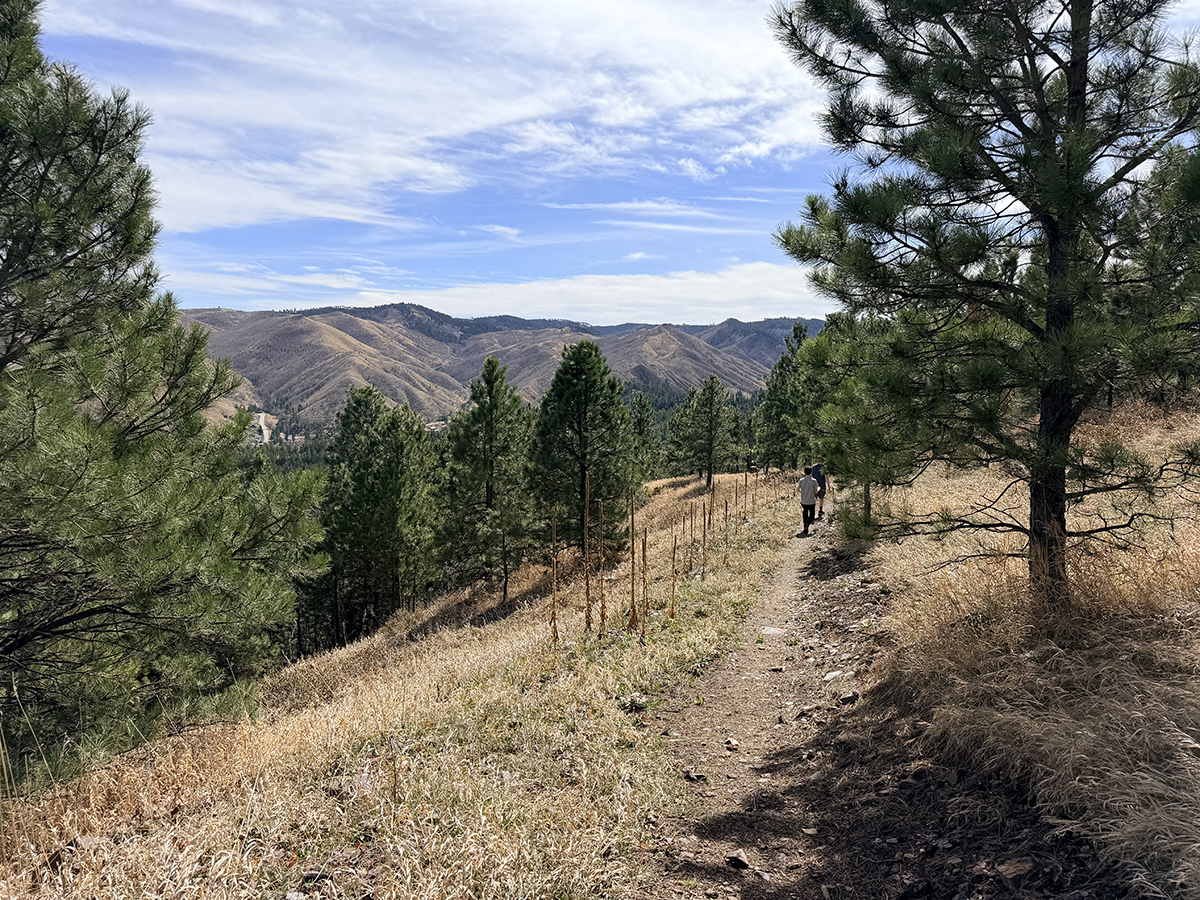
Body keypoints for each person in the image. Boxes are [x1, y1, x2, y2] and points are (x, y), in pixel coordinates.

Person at [796, 466, 818, 536]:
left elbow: (797, 490)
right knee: (812, 515)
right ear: (811, 472)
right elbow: (816, 491)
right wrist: (819, 489)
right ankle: (807, 523)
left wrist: (802, 491)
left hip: (804, 500)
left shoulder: (801, 480)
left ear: (804, 472)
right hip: (811, 501)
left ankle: (805, 526)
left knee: (805, 512)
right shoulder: (814, 481)